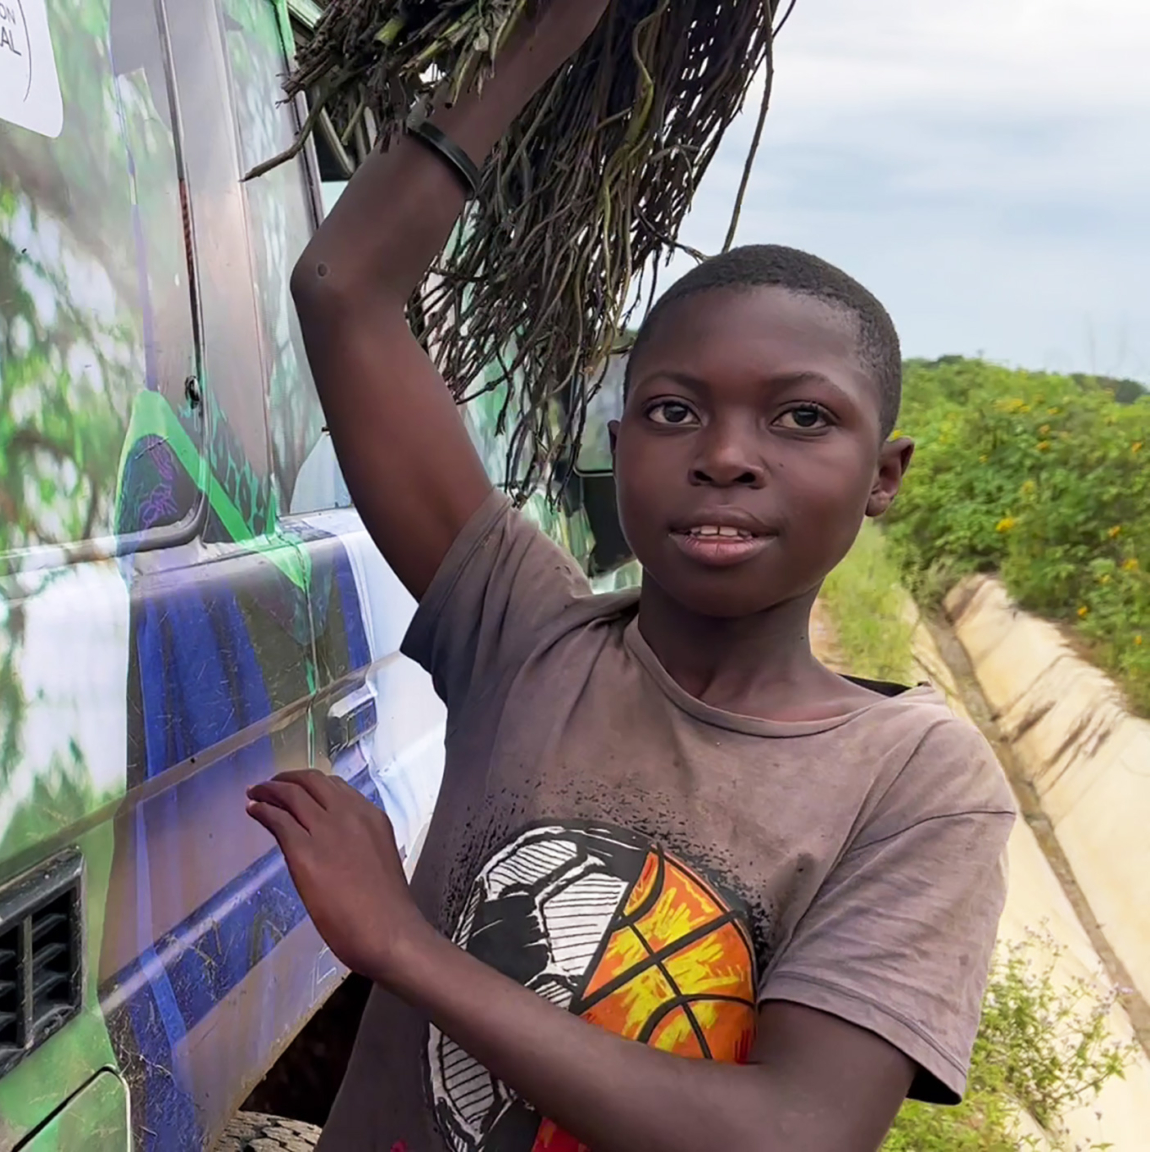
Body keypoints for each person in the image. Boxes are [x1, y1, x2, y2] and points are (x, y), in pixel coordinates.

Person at [242, 1, 1017, 1149]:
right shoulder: (522, 629)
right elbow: (344, 291)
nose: (724, 454)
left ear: (881, 475)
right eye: (672, 410)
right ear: (621, 445)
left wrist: (396, 944)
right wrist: (546, 29)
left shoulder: (911, 781)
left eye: (800, 417)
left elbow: (789, 1134)